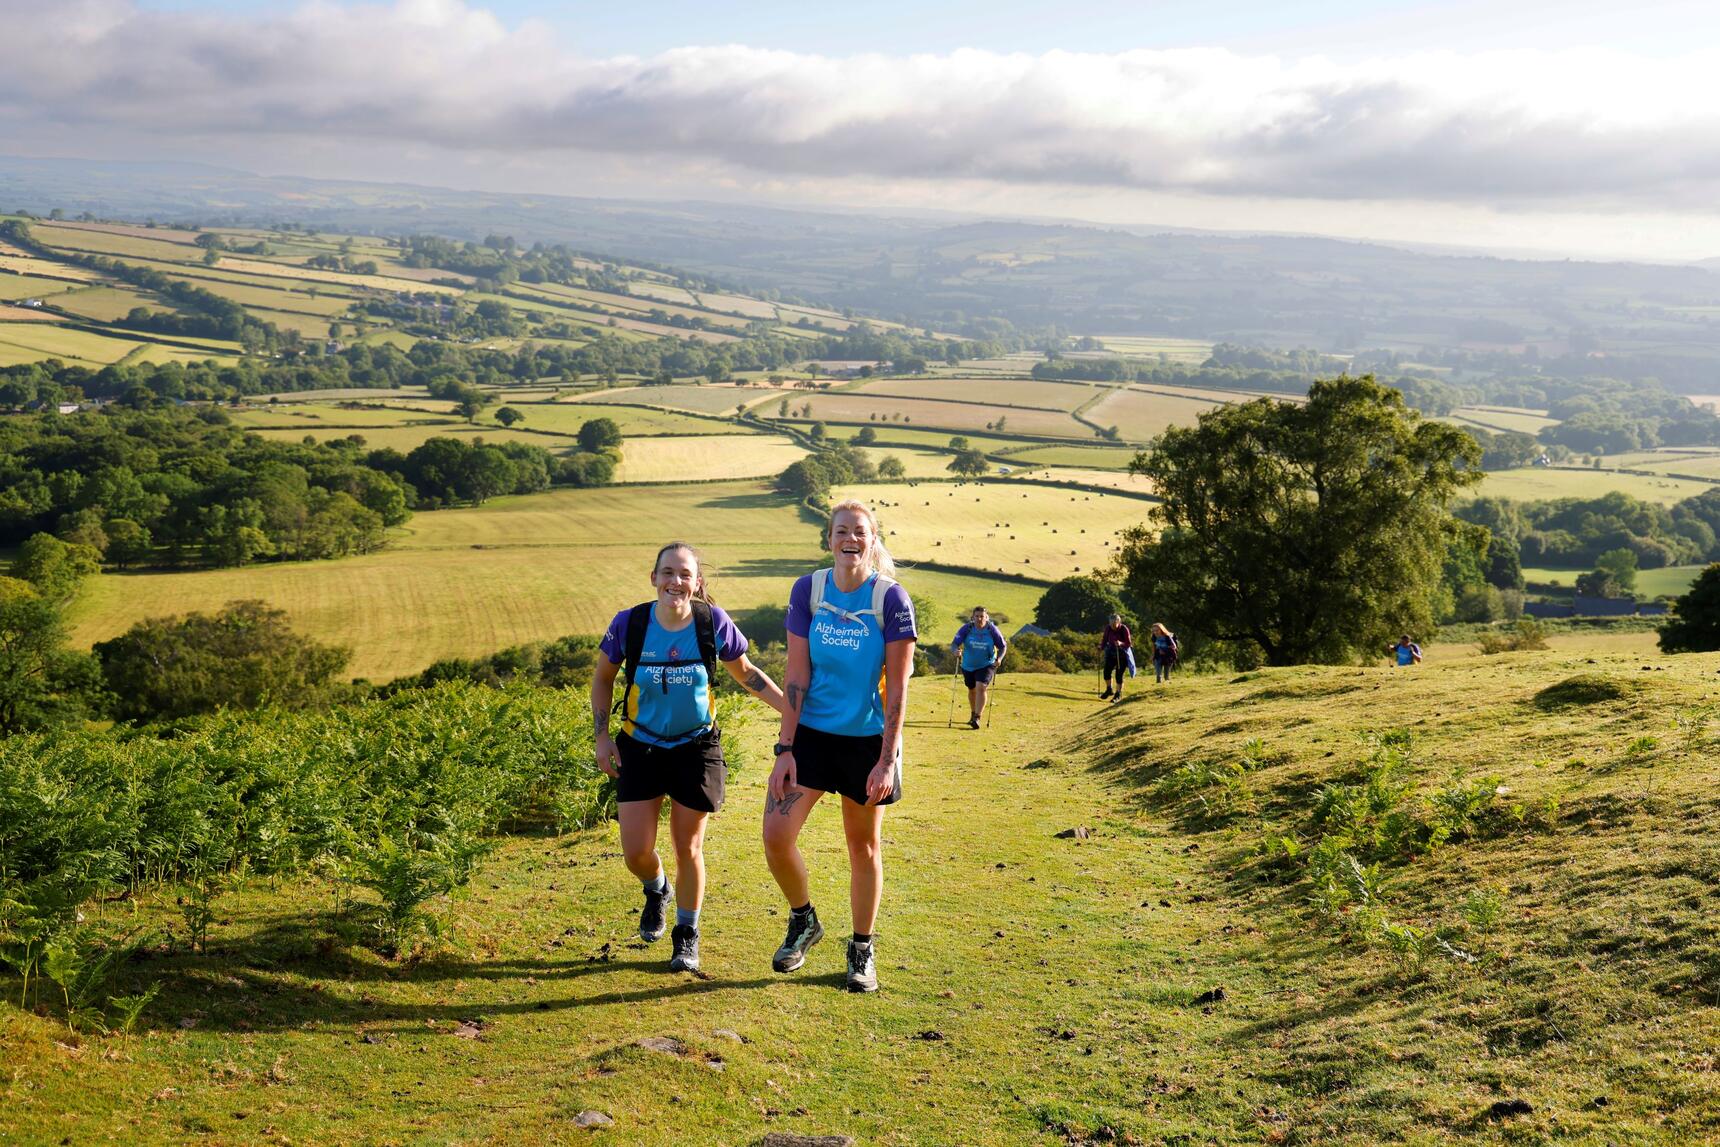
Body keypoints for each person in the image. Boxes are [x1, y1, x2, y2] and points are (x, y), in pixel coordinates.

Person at [591, 542, 787, 974]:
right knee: (635, 852)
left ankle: (686, 936)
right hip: (638, 746)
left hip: (695, 748)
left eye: (685, 574)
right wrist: (602, 737)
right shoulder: (631, 624)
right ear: (654, 577)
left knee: (688, 847)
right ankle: (655, 888)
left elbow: (748, 674)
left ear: (697, 582)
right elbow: (603, 678)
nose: (675, 581)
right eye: (668, 572)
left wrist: (793, 711)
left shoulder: (711, 622)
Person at [763, 499, 916, 993]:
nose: (850, 538)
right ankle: (804, 920)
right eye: (841, 530)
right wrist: (784, 748)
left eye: (860, 532)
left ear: (873, 541)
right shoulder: (808, 590)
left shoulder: (891, 600)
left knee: (863, 847)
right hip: (810, 737)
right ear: (828, 539)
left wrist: (887, 759)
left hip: (866, 742)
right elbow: (796, 673)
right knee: (775, 835)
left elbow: (897, 688)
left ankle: (862, 949)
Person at [950, 605, 1007, 729]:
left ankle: (977, 717)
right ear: (972, 617)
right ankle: (973, 713)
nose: (979, 619)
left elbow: (1002, 646)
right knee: (972, 689)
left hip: (986, 664)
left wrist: (999, 659)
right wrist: (955, 651)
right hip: (968, 665)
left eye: (982, 616)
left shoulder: (992, 630)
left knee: (981, 687)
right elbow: (954, 643)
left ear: (986, 617)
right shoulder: (967, 628)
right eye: (977, 616)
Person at [1100, 612, 1132, 702]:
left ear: (1119, 622)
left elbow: (1129, 643)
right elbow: (1105, 639)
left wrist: (1120, 643)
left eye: (1114, 624)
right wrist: (1101, 647)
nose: (1113, 626)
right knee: (1106, 671)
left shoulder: (1124, 629)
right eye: (1111, 624)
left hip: (1122, 653)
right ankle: (1109, 689)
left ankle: (1118, 694)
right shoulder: (1108, 628)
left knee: (1119, 674)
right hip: (1110, 652)